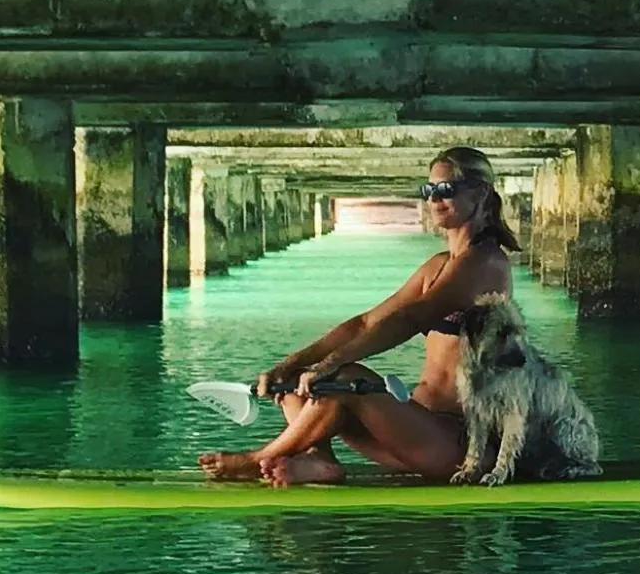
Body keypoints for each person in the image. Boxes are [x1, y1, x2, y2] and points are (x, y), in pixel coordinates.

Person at [197, 146, 519, 487]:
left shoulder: (484, 264)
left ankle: (257, 458)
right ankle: (319, 460)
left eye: (445, 190)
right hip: (412, 430)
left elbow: (409, 320)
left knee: (343, 377)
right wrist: (296, 362)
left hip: (461, 444)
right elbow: (365, 322)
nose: (434, 199)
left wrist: (334, 362)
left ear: (480, 193)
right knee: (298, 383)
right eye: (429, 190)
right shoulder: (438, 265)